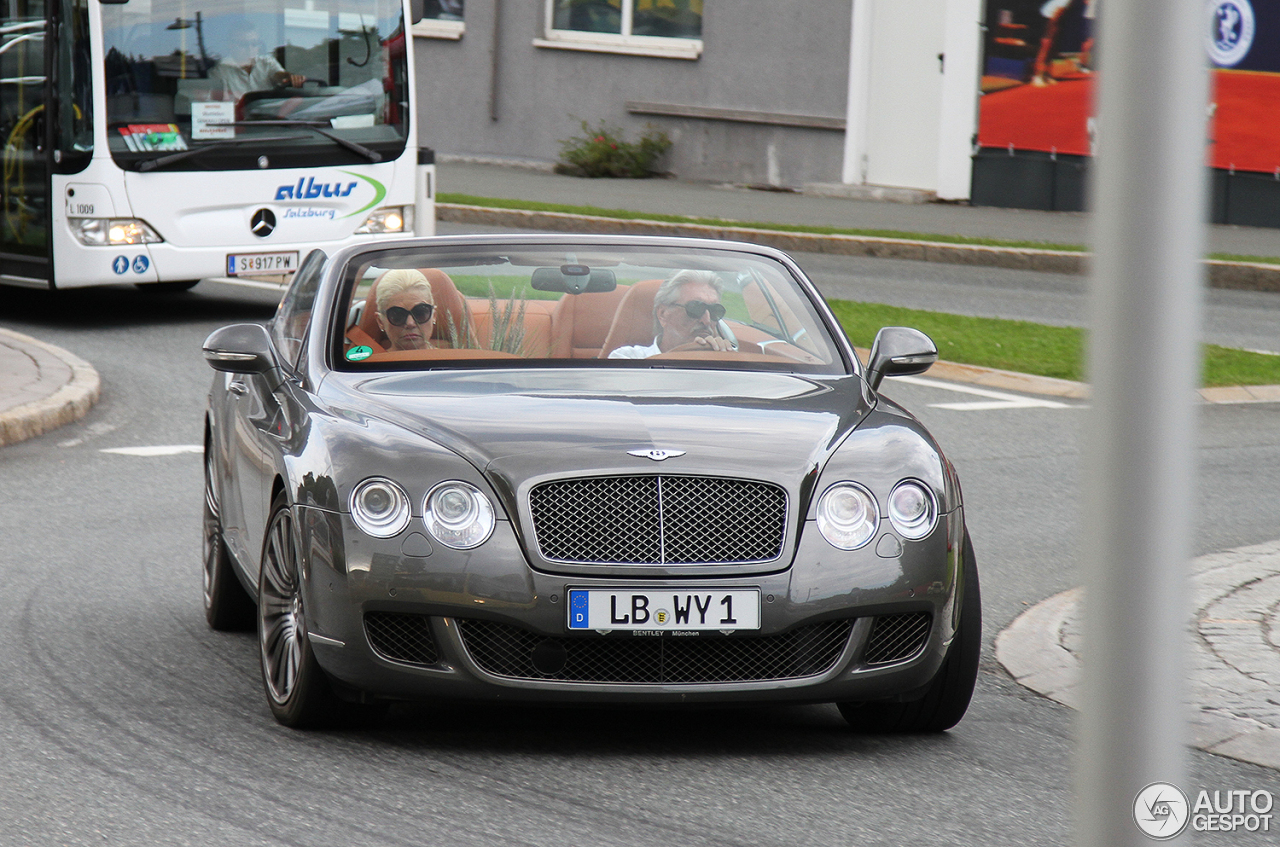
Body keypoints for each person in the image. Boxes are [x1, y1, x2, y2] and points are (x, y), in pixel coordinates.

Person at [609, 269, 735, 358]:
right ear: (663, 314)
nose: (706, 320)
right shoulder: (628, 360)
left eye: (715, 310)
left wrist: (724, 361)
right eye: (695, 308)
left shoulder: (724, 360)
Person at [209, 18, 304, 101]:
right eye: (243, 44)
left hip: (268, 116)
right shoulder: (220, 70)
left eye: (254, 43)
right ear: (230, 45)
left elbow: (279, 76)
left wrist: (290, 78)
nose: (250, 48)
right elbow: (220, 102)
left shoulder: (267, 62)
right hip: (239, 118)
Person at [375, 269, 436, 351]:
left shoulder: (452, 360)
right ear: (381, 322)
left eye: (420, 313)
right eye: (397, 315)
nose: (410, 323)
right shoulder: (369, 363)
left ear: (434, 316)